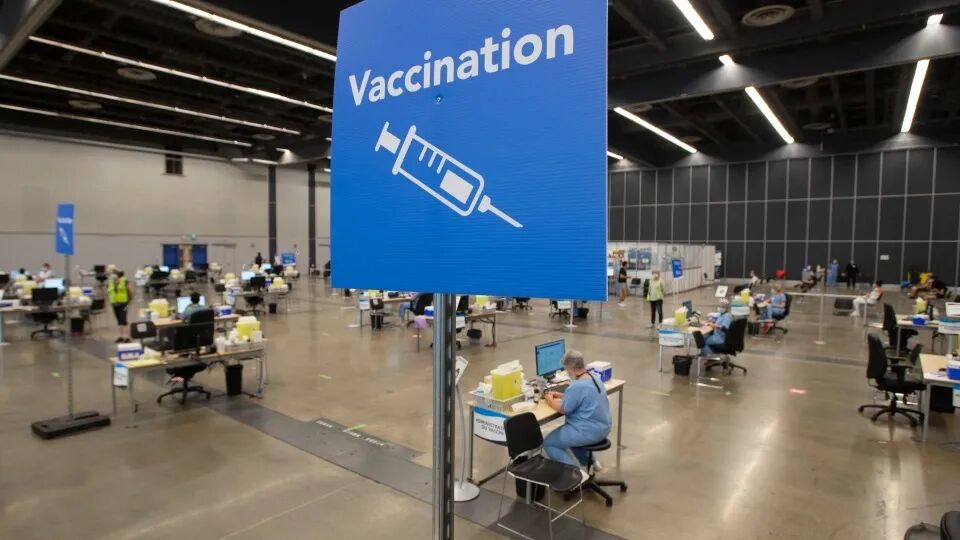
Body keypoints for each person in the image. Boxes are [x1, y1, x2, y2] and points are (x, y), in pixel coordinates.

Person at [542, 350, 611, 472]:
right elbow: (584, 397)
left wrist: (549, 399)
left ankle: (576, 475)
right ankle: (593, 463)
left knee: (549, 443)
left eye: (567, 369)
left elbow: (564, 409)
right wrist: (562, 395)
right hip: (603, 427)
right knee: (569, 436)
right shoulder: (594, 377)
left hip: (588, 432)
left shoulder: (577, 386)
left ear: (572, 368)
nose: (567, 372)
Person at [108, 270, 133, 343]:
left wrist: (130, 299)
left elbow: (129, 290)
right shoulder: (111, 282)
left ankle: (127, 337)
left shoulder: (124, 281)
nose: (112, 276)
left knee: (123, 319)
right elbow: (110, 292)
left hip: (123, 303)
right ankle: (121, 336)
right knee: (119, 320)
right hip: (114, 303)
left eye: (113, 274)